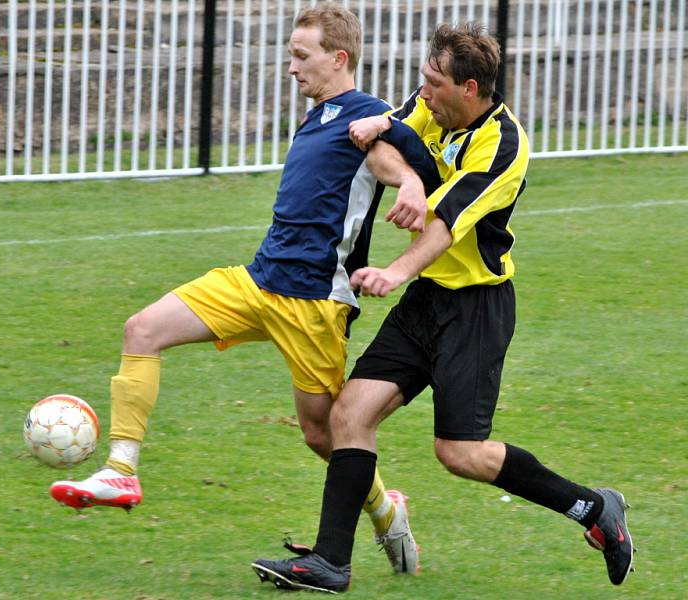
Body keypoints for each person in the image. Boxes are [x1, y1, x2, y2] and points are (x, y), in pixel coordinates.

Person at [251, 22, 634, 593]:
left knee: (459, 453)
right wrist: (386, 130)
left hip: (476, 309)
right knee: (348, 417)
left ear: (471, 89)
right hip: (428, 301)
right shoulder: (429, 105)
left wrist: (394, 271)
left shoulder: (502, 145)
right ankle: (331, 563)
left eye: (435, 84)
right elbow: (395, 122)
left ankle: (593, 507)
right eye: (423, 80)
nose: (423, 92)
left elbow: (449, 223)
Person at [49, 2, 426, 575]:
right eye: (290, 56)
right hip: (258, 279)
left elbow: (388, 160)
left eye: (302, 57)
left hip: (313, 303)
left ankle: (384, 511)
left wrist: (414, 185)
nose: (292, 67)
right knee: (142, 329)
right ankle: (121, 471)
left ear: (338, 58)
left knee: (324, 436)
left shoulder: (365, 117)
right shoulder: (319, 115)